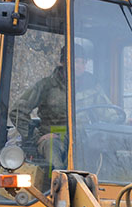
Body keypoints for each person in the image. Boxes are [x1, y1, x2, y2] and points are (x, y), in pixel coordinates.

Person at [8, 39, 114, 169]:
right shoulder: (46, 86)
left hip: (84, 138)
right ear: (63, 62)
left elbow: (108, 114)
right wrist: (35, 137)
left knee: (106, 157)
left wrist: (126, 123)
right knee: (52, 150)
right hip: (55, 137)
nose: (80, 66)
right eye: (76, 61)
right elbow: (17, 112)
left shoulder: (92, 86)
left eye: (83, 62)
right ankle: (57, 184)